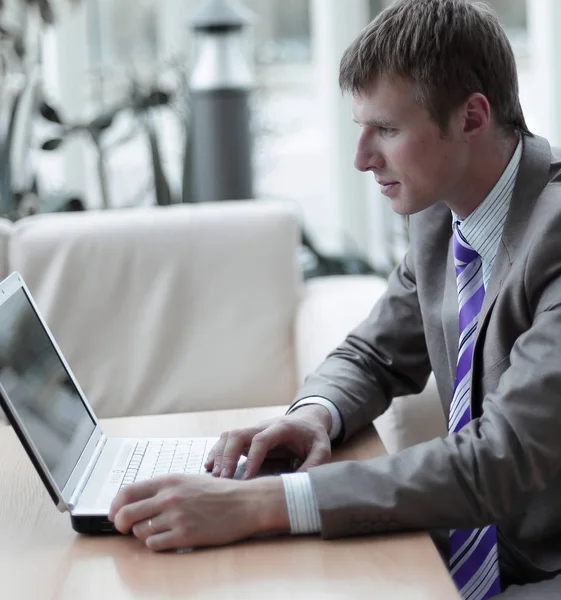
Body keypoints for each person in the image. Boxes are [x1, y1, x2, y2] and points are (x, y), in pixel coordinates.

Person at [108, 0, 561, 597]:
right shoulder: (442, 216)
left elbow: (501, 460)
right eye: (361, 129)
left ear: (473, 116)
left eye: (389, 131)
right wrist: (311, 415)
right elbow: (374, 354)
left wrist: (260, 503)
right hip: (463, 543)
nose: (362, 159)